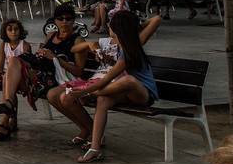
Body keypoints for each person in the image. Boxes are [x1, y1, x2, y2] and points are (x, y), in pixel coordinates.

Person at [58, 14, 162, 151]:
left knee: (128, 80)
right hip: (124, 92)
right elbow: (75, 49)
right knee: (103, 100)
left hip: (142, 94)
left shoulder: (130, 48)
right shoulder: (114, 44)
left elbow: (108, 79)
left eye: (111, 24)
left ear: (118, 29)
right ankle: (95, 148)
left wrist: (86, 91)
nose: (107, 26)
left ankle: (91, 93)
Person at [0, 3, 87, 142]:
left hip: (54, 78)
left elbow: (79, 70)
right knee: (13, 65)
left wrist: (55, 58)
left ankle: (5, 120)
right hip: (40, 71)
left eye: (68, 18)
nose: (64, 22)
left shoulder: (77, 40)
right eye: (60, 18)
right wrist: (41, 53)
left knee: (9, 75)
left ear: (73, 20)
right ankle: (9, 105)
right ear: (55, 20)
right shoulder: (51, 35)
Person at [0, 18, 30, 133]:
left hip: (19, 78)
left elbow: (27, 67)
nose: (13, 32)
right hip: (4, 74)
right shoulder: (3, 45)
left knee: (7, 82)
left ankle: (10, 119)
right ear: (5, 32)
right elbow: (0, 64)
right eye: (10, 30)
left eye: (16, 29)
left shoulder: (24, 46)